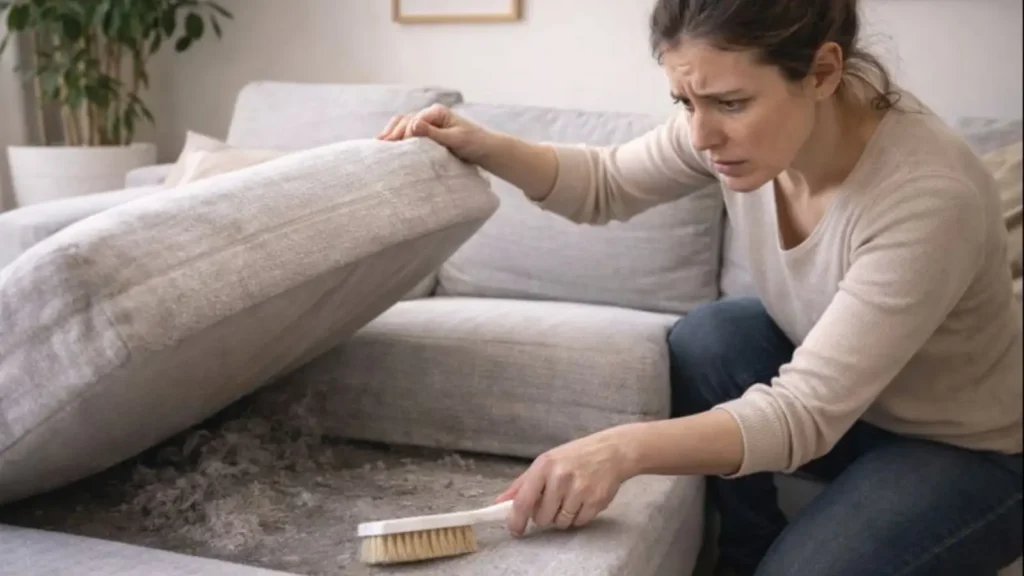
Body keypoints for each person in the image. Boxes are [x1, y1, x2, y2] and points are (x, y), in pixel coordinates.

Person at [377, 0, 1024, 574]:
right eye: (685, 102)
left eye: (730, 104)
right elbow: (604, 182)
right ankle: (742, 552)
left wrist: (618, 449)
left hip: (968, 449)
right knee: (714, 335)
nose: (701, 135)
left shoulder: (927, 195)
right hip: (856, 411)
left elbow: (803, 414)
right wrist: (481, 144)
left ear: (823, 72)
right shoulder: (734, 128)